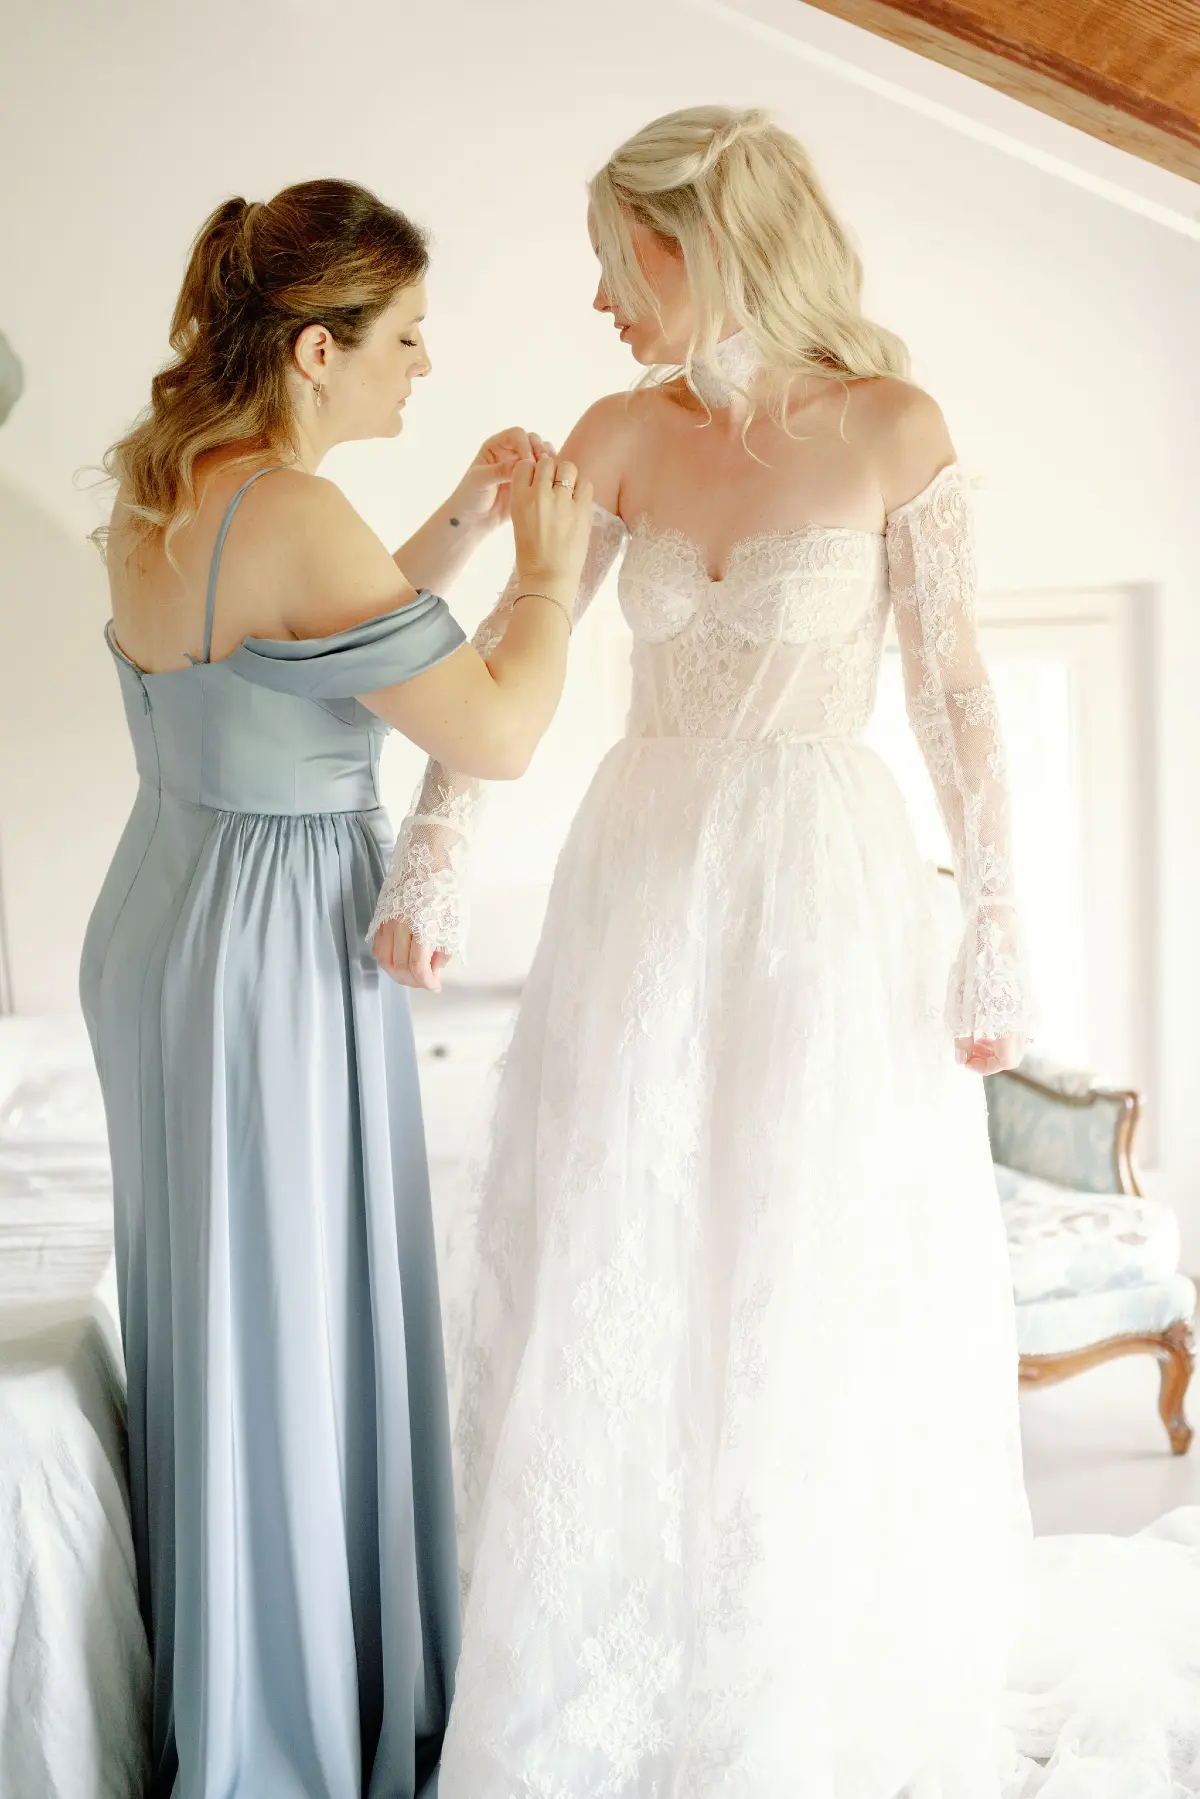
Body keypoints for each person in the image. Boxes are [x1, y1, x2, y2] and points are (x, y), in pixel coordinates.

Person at [369, 105, 1034, 1796]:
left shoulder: (893, 428)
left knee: (797, 1257)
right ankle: (605, 1669)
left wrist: (996, 925)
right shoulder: (614, 433)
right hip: (643, 882)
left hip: (823, 886)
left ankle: (788, 1674)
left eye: (619, 264)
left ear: (700, 243)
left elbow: (956, 690)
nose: (600, 302)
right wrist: (432, 864)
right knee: (628, 1244)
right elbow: (507, 661)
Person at [80, 176, 592, 1799]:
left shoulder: (171, 478)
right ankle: (291, 1718)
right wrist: (550, 578)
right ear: (318, 347)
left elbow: (312, 637)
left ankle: (251, 1664)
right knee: (291, 1313)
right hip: (272, 934)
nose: (424, 364)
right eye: (407, 337)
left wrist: (464, 515)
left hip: (165, 909)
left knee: (226, 1302)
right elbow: (493, 727)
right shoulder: (295, 516)